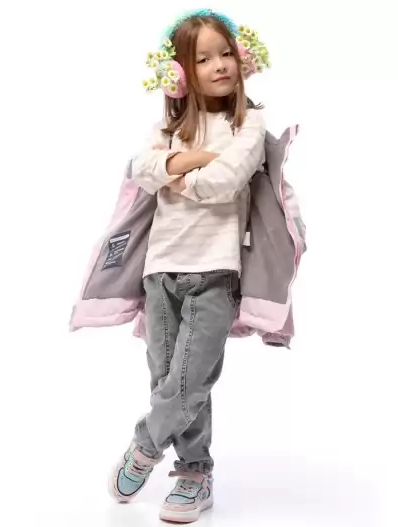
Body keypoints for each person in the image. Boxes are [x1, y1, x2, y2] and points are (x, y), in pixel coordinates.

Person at [108, 9, 270, 523]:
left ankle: (144, 446)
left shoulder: (248, 124)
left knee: (188, 383)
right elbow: (139, 168)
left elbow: (224, 182)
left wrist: (175, 173)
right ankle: (194, 474)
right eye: (203, 59)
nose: (219, 65)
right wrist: (195, 159)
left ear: (241, 59)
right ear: (179, 72)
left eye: (225, 54)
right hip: (160, 272)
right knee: (169, 379)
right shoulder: (170, 128)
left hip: (216, 274)